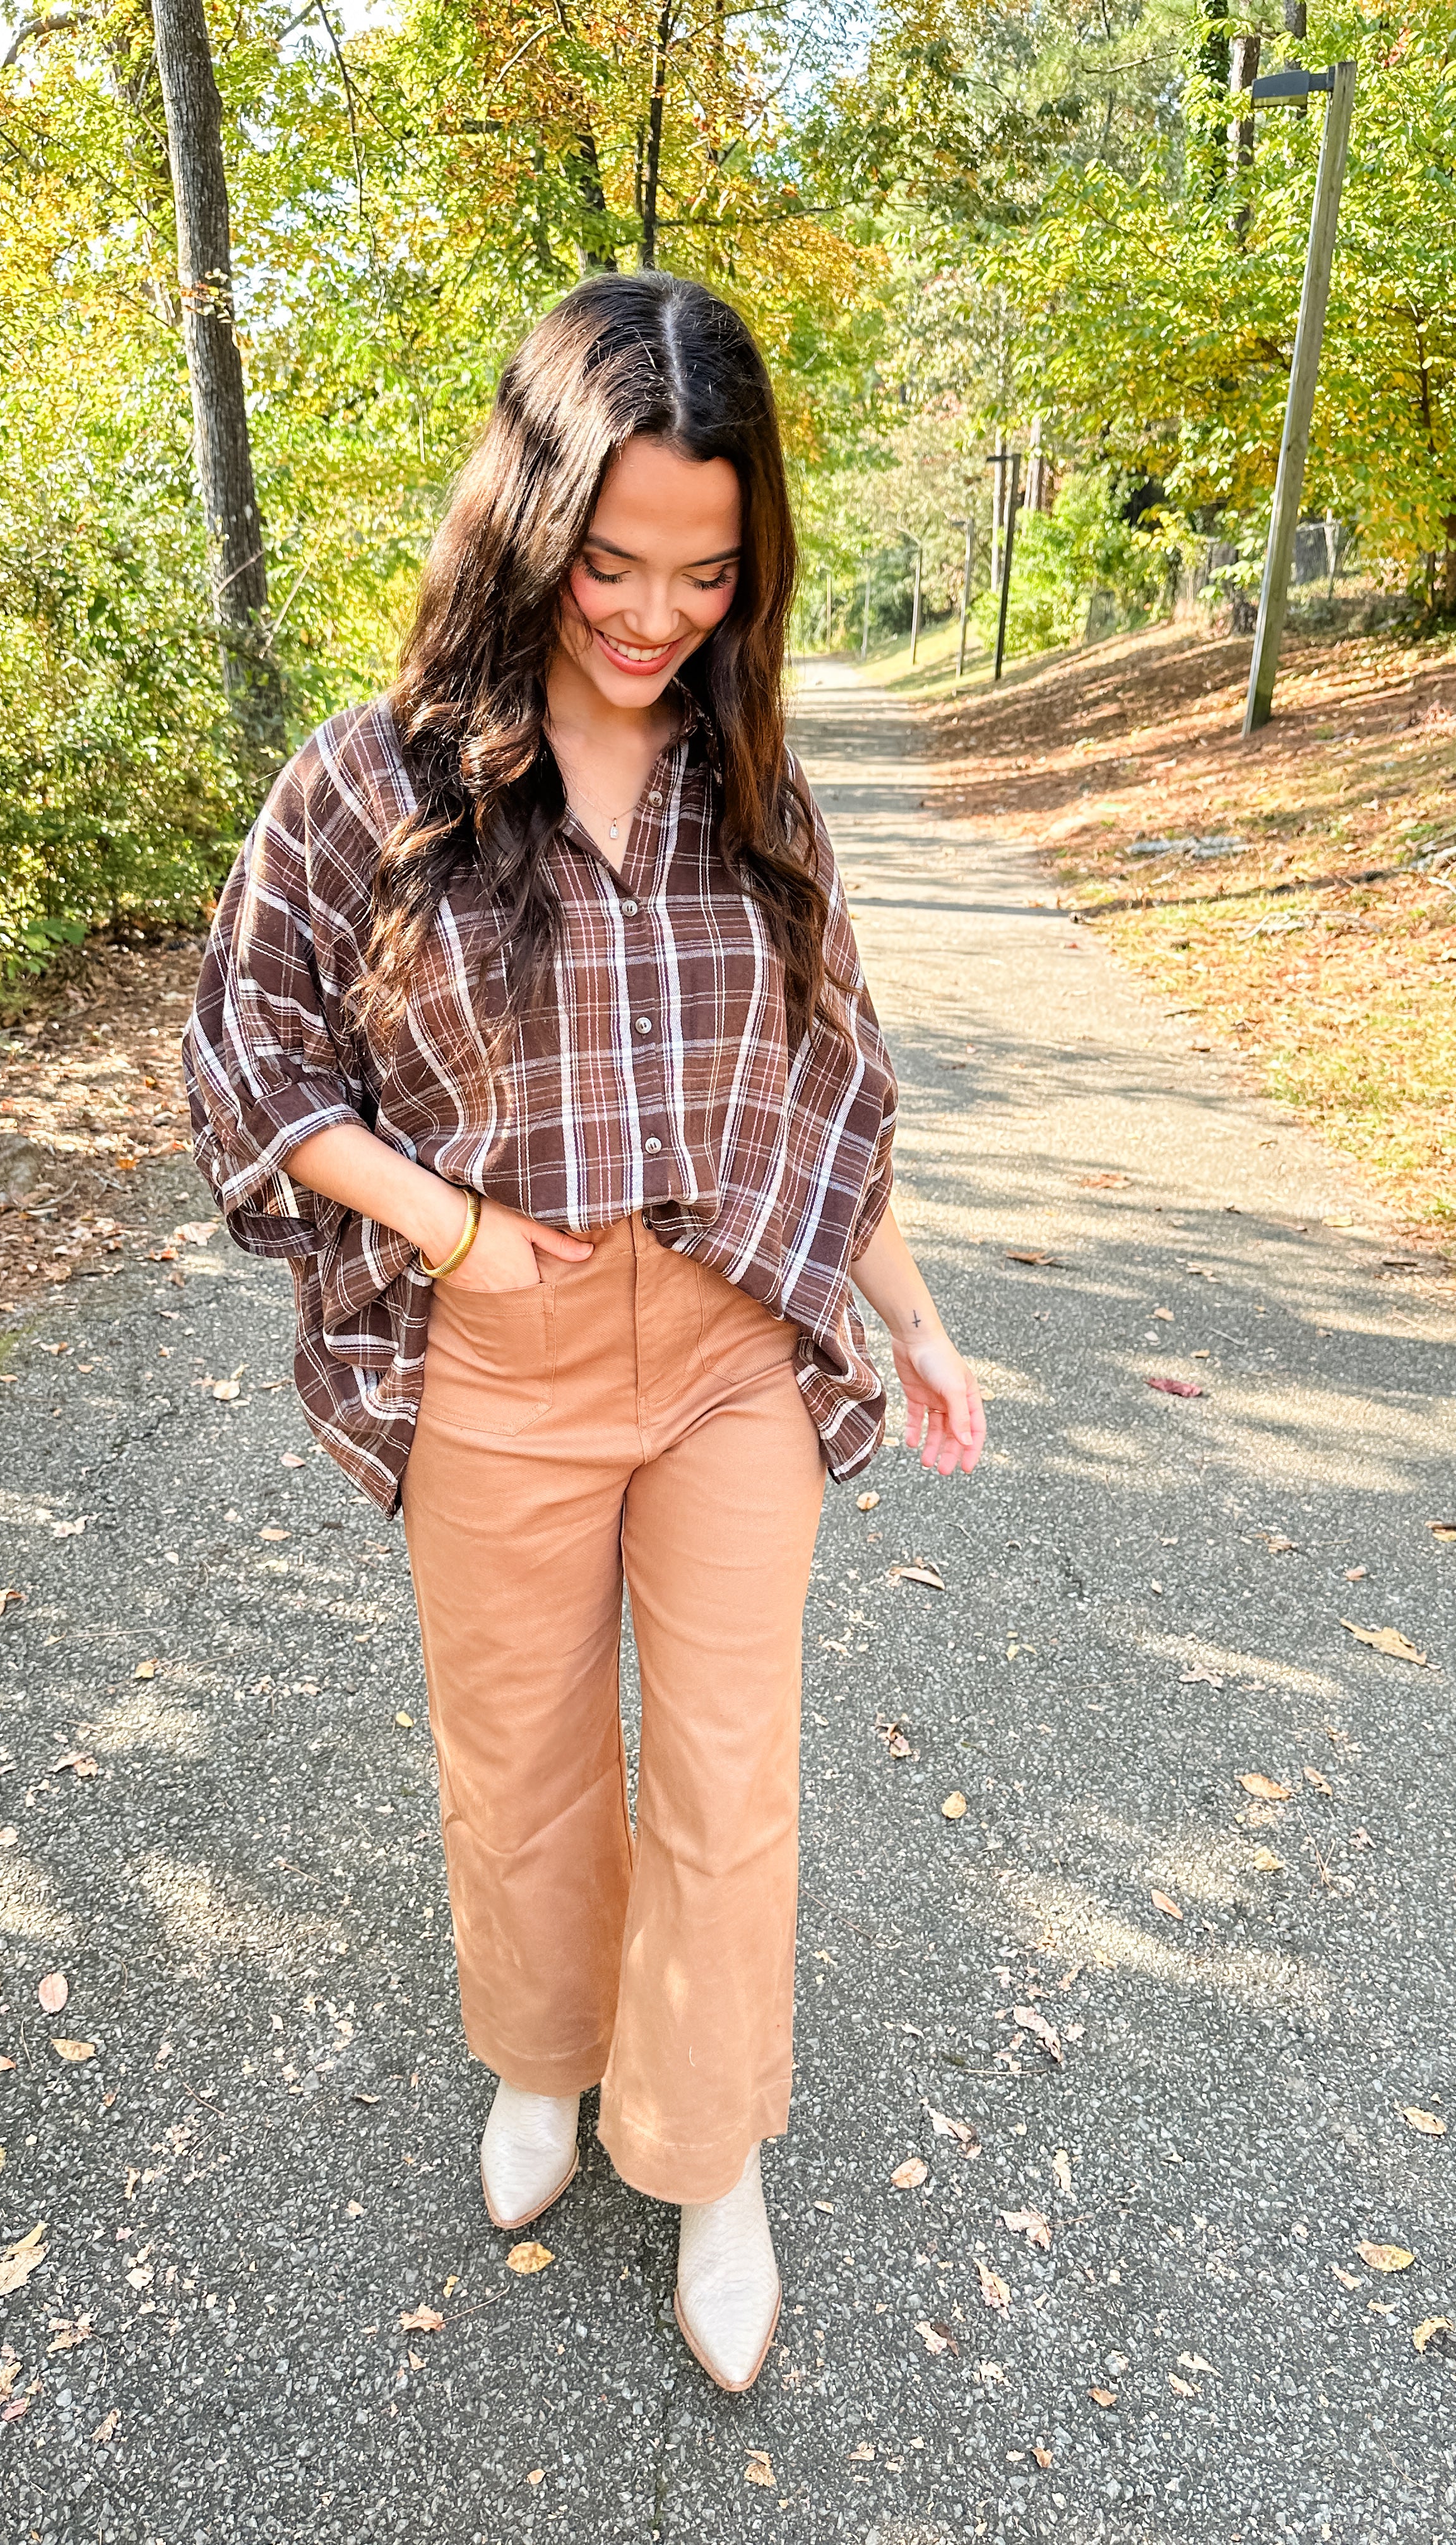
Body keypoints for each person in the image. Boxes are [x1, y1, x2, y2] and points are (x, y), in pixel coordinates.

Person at [184, 271, 985, 2392]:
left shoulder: (755, 788)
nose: (654, 617)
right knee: (524, 1765)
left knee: (727, 1772)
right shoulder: (377, 783)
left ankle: (709, 2151)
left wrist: (914, 1312)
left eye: (706, 575)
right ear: (531, 523)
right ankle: (540, 2057)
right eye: (614, 564)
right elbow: (249, 1055)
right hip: (504, 1357)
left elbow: (829, 1082)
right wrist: (446, 1227)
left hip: (728, 1344)